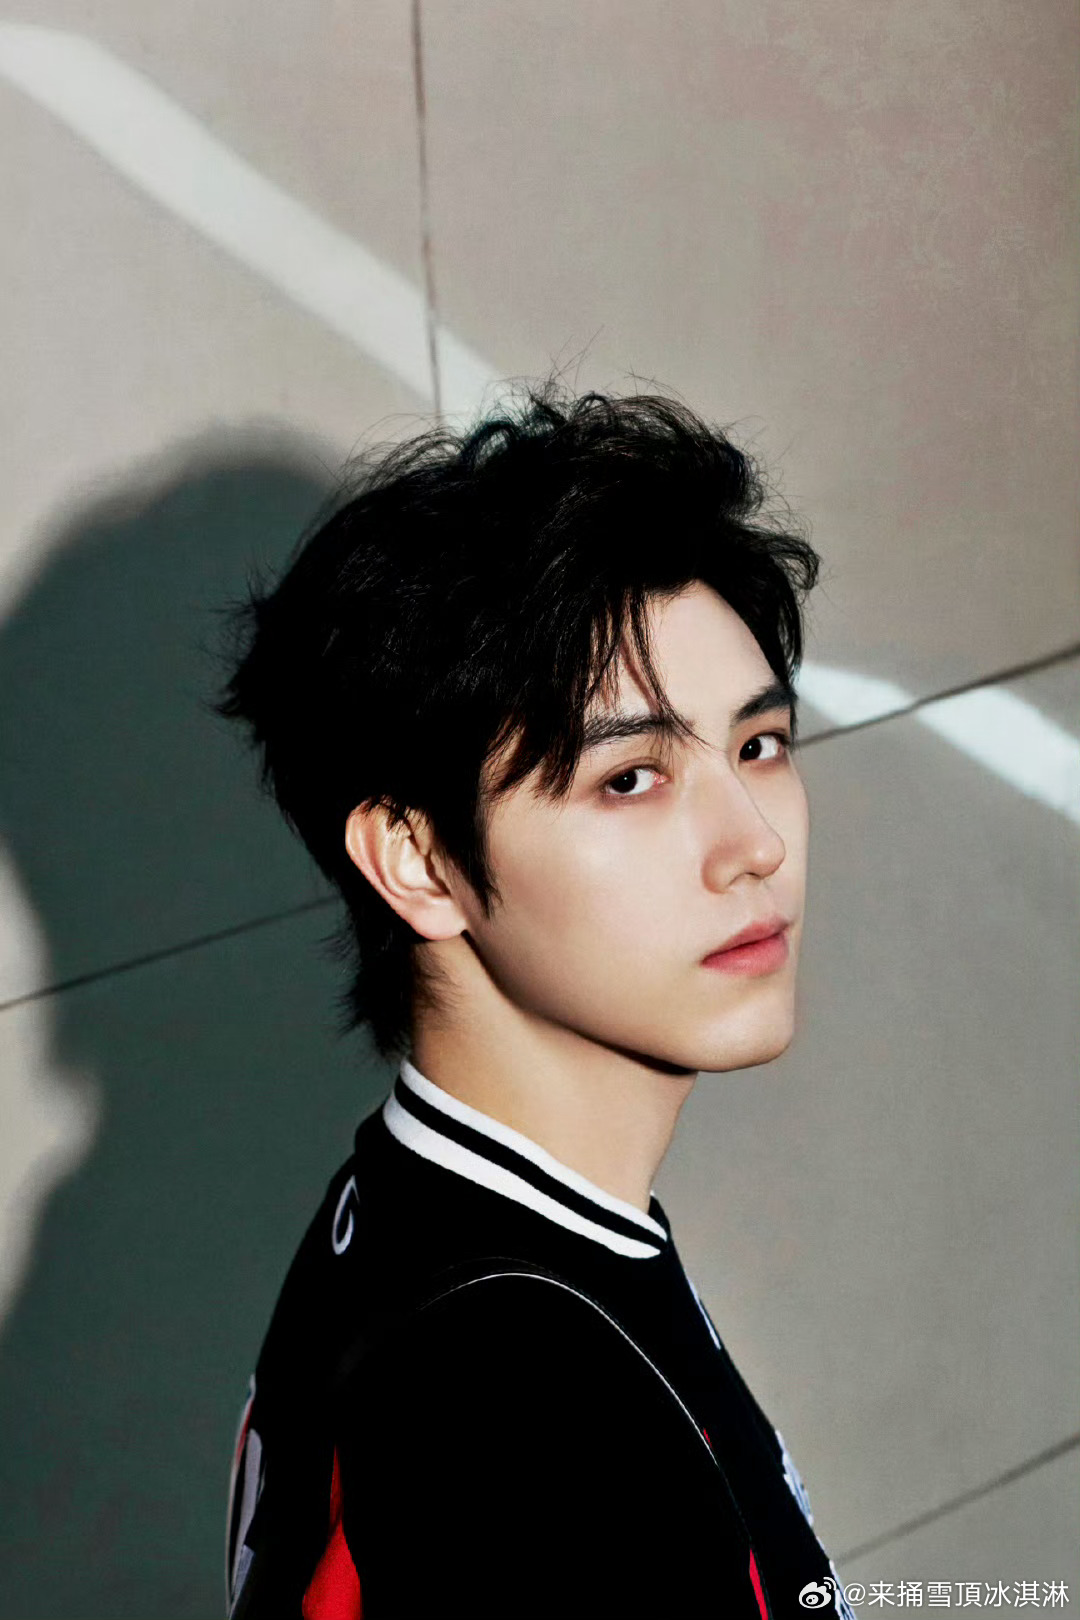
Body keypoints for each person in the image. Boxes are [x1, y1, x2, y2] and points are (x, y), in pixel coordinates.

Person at [213, 383, 857, 1619]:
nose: (756, 844)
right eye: (631, 779)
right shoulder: (526, 1421)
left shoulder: (405, 1210)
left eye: (760, 746)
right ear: (419, 859)